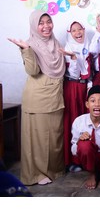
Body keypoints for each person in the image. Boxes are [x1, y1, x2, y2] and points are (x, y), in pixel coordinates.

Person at [8, 10, 66, 186]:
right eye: (41, 23)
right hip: (38, 97)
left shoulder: (55, 43)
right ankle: (36, 174)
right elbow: (32, 71)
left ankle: (53, 169)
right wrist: (25, 50)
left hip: (55, 96)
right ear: (34, 25)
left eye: (49, 21)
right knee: (38, 138)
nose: (46, 26)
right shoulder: (31, 44)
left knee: (54, 136)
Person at [59, 21, 92, 172]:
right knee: (73, 120)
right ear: (69, 33)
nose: (78, 33)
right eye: (74, 30)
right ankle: (72, 160)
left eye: (80, 29)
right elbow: (73, 73)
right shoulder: (68, 49)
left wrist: (89, 87)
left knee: (86, 120)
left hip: (85, 87)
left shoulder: (88, 46)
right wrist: (73, 59)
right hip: (72, 87)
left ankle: (87, 158)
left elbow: (91, 71)